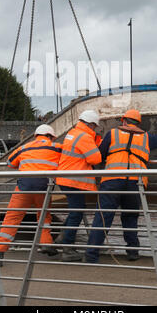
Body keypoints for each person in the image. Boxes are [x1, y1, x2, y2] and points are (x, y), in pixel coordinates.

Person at [85, 109, 157, 264]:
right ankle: (132, 252)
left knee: (103, 217)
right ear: (138, 123)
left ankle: (92, 255)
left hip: (112, 181)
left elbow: (100, 155)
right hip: (135, 183)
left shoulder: (113, 134)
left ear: (124, 121)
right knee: (130, 217)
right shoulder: (146, 138)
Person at [0, 124, 62, 265]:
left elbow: (10, 163)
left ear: (36, 135)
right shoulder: (57, 147)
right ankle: (46, 244)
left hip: (24, 186)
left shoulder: (24, 147)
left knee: (12, 218)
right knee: (44, 216)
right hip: (44, 187)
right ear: (50, 136)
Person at [55, 110, 102, 262]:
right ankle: (67, 249)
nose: (95, 130)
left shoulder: (73, 132)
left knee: (76, 211)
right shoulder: (85, 136)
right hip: (73, 181)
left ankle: (59, 241)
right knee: (76, 212)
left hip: (66, 179)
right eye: (95, 127)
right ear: (91, 124)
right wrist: (96, 145)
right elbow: (95, 159)